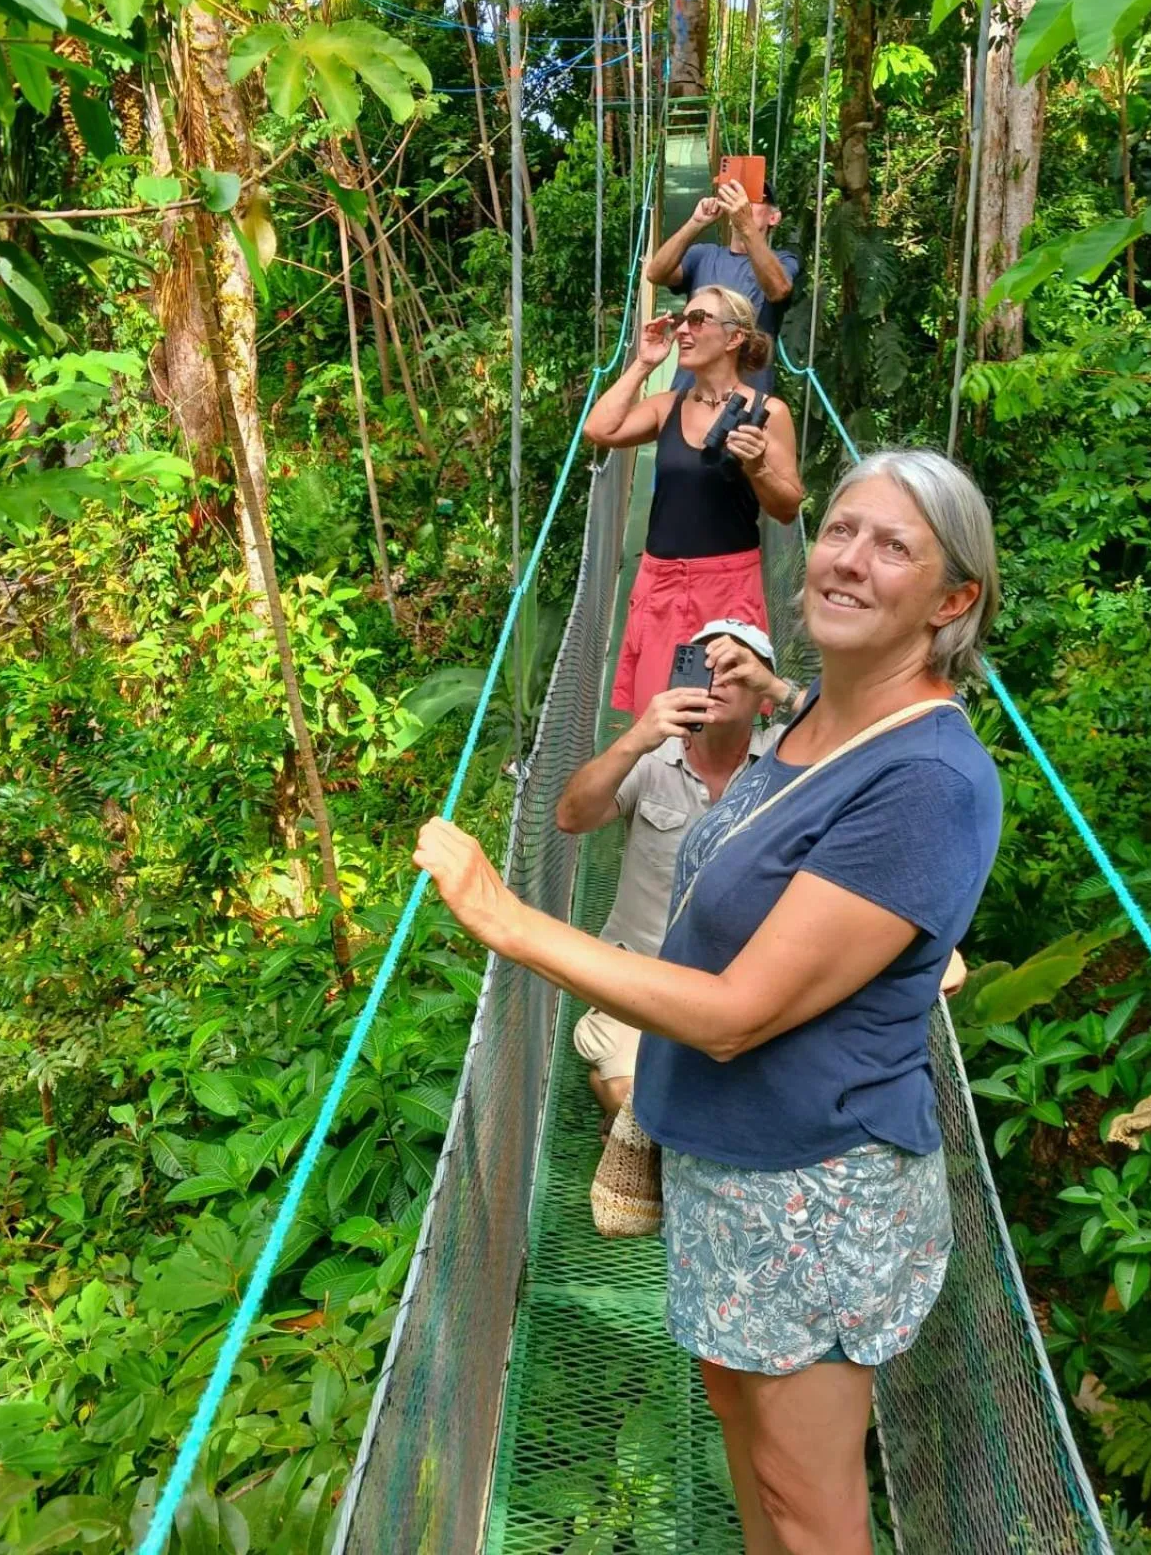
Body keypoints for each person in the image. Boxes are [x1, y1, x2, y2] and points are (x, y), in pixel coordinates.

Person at [414, 448, 1002, 1555]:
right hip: (726, 1167)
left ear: (952, 599)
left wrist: (508, 918)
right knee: (750, 1461)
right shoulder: (809, 723)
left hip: (816, 1190)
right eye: (838, 529)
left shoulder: (926, 778)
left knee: (809, 1504)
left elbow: (738, 1009)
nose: (847, 558)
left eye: (894, 546)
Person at [557, 620, 802, 1127]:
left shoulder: (791, 755)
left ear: (761, 695)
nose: (717, 678)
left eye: (736, 668)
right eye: (704, 664)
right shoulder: (652, 755)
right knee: (632, 1095)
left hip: (743, 981)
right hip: (645, 975)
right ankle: (631, 1108)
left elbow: (865, 736)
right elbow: (571, 817)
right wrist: (635, 739)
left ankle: (637, 1116)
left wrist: (780, 690)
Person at [583, 286, 803, 719]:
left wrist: (757, 467)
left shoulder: (769, 412)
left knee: (720, 720)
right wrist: (644, 363)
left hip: (727, 587)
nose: (683, 329)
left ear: (734, 336)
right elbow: (599, 430)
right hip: (660, 585)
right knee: (655, 720)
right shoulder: (668, 406)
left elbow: (788, 507)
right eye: (683, 319)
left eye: (697, 320)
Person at [645, 177, 800, 397]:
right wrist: (695, 223)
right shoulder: (704, 255)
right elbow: (655, 273)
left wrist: (746, 226)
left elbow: (778, 289)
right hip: (689, 393)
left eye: (753, 199)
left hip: (745, 399)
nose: (742, 203)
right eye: (737, 197)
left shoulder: (783, 261)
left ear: (773, 217)